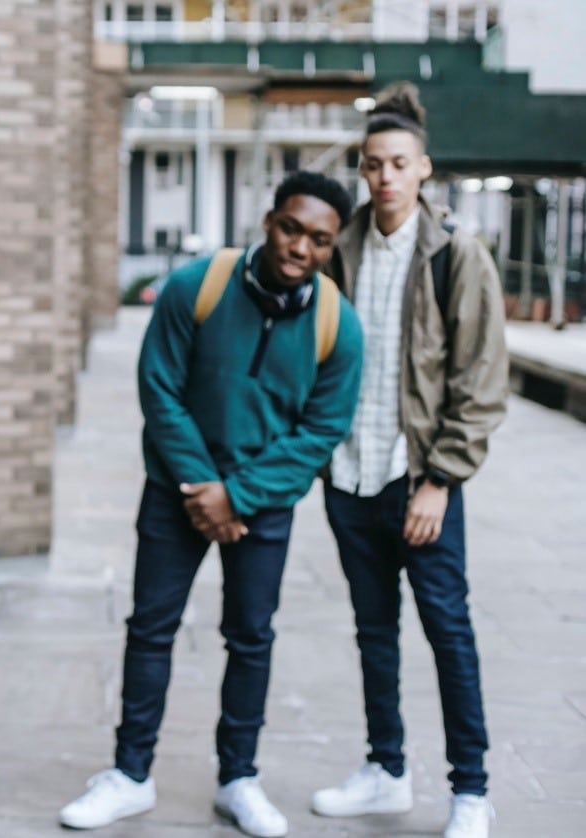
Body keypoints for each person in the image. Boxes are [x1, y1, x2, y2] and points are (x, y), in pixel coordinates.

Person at [59, 171, 363, 838]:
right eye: (291, 228)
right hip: (175, 492)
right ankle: (129, 776)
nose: (299, 248)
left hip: (264, 504)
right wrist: (202, 486)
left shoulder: (338, 325)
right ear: (268, 220)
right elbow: (158, 388)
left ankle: (238, 778)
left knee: (250, 637)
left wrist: (240, 494)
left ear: (330, 246)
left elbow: (321, 430)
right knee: (151, 628)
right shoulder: (197, 285)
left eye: (317, 239)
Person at [311, 84, 508, 838]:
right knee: (373, 632)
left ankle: (470, 789)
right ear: (361, 171)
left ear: (422, 167)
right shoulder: (341, 249)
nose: (384, 176)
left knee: (446, 631)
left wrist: (439, 480)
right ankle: (385, 770)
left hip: (419, 484)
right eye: (371, 164)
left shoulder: (456, 256)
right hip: (350, 478)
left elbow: (479, 381)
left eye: (398, 163)